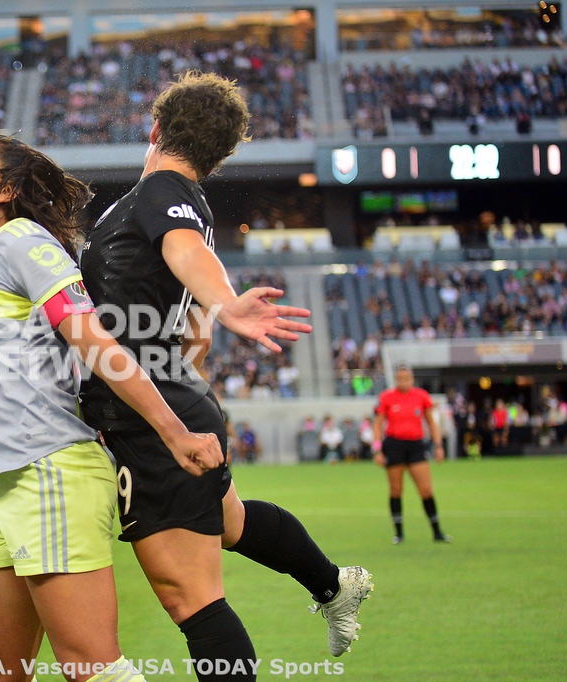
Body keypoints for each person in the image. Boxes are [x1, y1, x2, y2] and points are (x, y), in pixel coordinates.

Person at [79, 72, 372, 679]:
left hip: (153, 410)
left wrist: (225, 300)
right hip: (170, 392)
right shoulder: (181, 202)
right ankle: (333, 584)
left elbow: (188, 254)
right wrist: (204, 319)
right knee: (233, 524)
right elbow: (189, 315)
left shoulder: (162, 191)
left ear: (155, 129)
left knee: (190, 596)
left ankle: (332, 586)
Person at [0, 134, 224, 682]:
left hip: (49, 475)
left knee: (91, 669)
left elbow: (96, 345)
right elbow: (22, 374)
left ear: (6, 190)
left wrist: (174, 431)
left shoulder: (24, 243)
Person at [372, 364, 450, 544]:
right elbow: (378, 425)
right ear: (396, 379)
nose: (403, 382)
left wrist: (438, 445)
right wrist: (377, 449)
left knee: (426, 489)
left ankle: (437, 531)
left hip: (416, 446)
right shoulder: (387, 398)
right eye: (400, 378)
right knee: (396, 490)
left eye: (406, 378)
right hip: (394, 445)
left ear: (412, 379)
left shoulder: (421, 396)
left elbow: (431, 423)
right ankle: (399, 534)